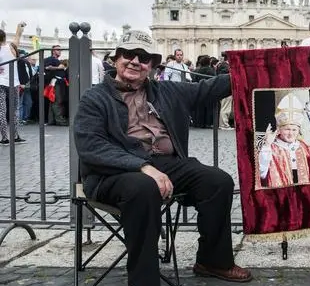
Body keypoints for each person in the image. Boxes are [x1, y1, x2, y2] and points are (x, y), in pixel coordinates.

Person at [73, 30, 252, 285]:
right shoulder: (95, 98)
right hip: (113, 172)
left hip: (166, 165)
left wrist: (255, 70)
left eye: (144, 57)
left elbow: (208, 89)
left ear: (152, 66)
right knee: (144, 188)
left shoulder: (167, 91)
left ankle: (213, 260)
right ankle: (144, 279)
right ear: (115, 59)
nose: (136, 61)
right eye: (129, 54)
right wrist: (143, 166)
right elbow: (92, 146)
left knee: (218, 181)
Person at [258, 94, 310, 188]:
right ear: (279, 130)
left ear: (298, 131)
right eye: (287, 129)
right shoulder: (271, 148)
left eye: (294, 130)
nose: (291, 133)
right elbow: (262, 174)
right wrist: (267, 145)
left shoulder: (304, 147)